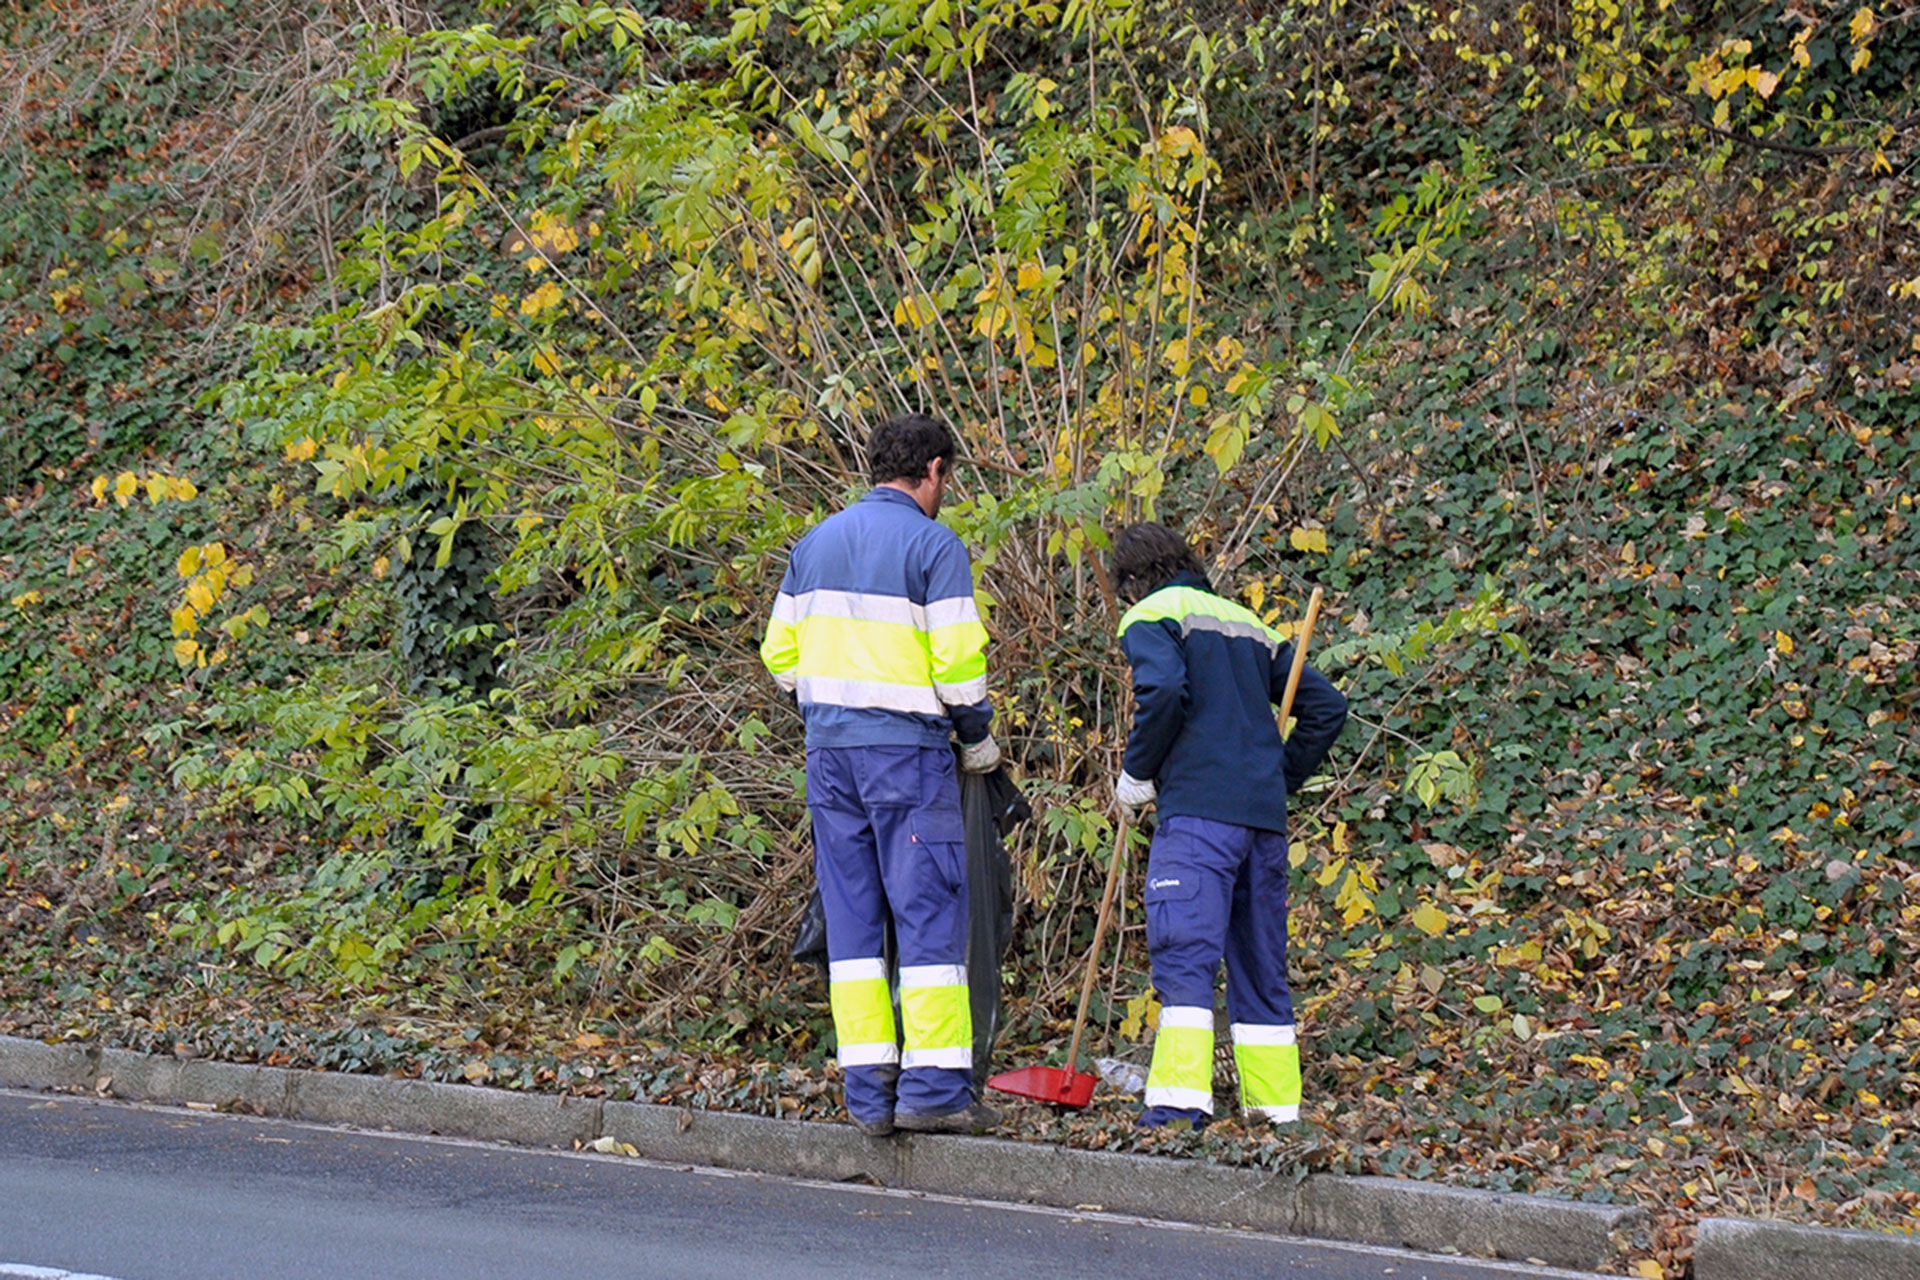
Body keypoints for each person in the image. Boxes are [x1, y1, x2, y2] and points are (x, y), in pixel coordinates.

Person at [760, 414, 1004, 1137]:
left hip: (830, 756)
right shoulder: (934, 545)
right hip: (908, 756)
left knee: (854, 923)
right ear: (931, 470)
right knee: (927, 912)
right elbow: (958, 665)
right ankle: (932, 1091)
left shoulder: (816, 542)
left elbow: (779, 653)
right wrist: (977, 737)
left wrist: (829, 703)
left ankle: (869, 1097)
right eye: (945, 480)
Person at [1108, 522, 1348, 1129]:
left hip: (1198, 820)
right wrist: (1278, 776)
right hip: (1261, 824)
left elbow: (1162, 689)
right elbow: (1327, 708)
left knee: (1185, 955)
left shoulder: (1152, 614)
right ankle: (1274, 1116)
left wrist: (1138, 772)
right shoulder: (1246, 623)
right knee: (1260, 964)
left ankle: (1177, 1111)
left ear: (1132, 580)